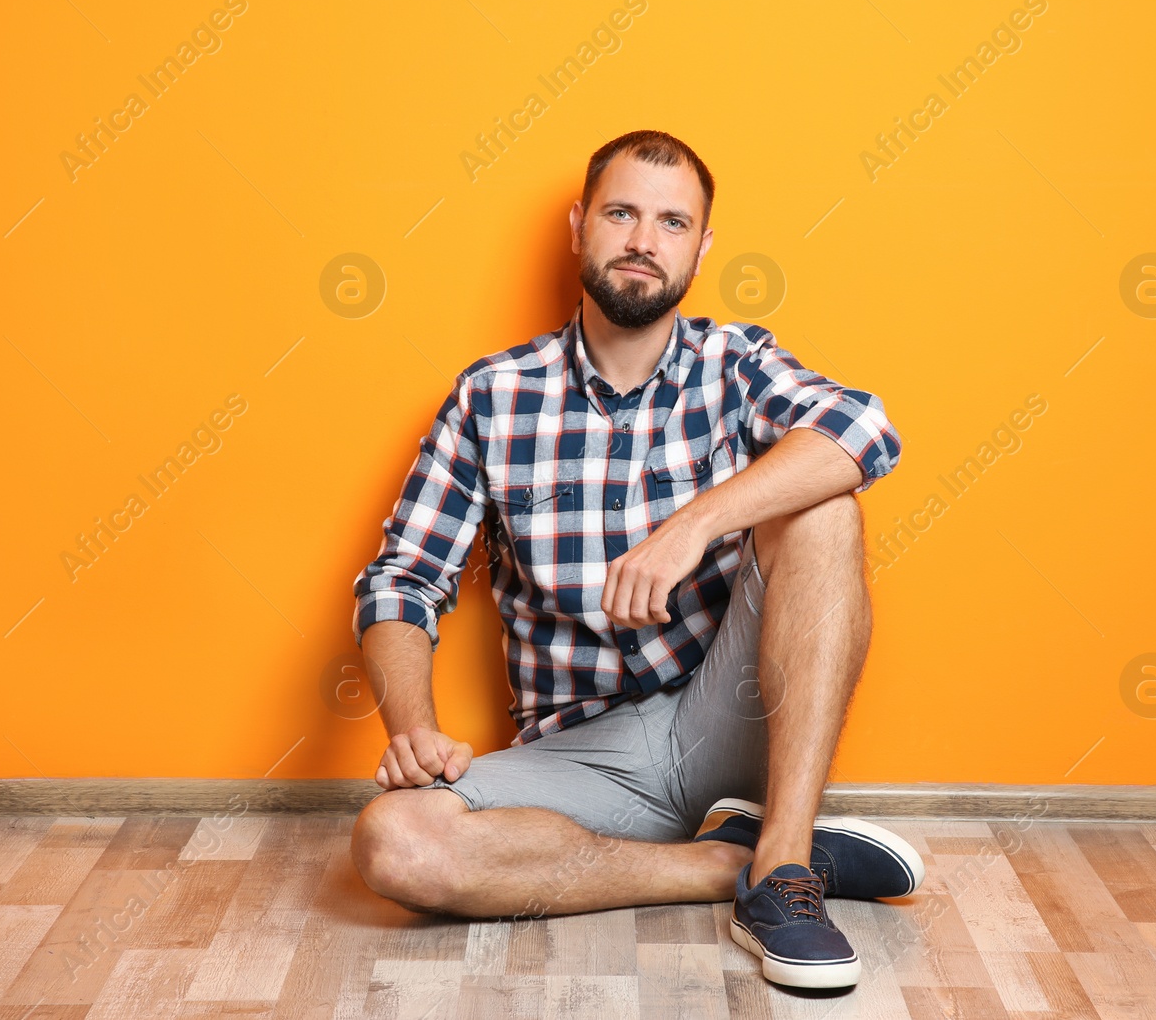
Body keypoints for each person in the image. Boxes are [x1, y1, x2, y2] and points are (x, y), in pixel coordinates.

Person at [347, 129, 920, 989]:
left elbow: (864, 431)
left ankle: (783, 854)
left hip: (730, 711)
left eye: (672, 222)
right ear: (581, 226)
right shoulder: (493, 396)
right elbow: (403, 579)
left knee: (824, 508)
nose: (645, 242)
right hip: (579, 755)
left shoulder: (736, 363)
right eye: (621, 214)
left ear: (702, 245)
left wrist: (695, 523)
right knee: (394, 841)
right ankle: (762, 862)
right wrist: (411, 726)